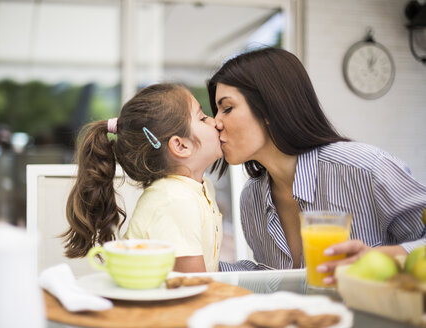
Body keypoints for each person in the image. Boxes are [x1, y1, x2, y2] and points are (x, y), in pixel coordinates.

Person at [207, 47, 426, 284]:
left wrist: (380, 257)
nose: (215, 122)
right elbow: (272, 278)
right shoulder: (252, 197)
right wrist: (199, 267)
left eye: (227, 108)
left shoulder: (366, 169)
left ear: (269, 107)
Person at [62, 83, 223, 272]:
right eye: (202, 118)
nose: (215, 122)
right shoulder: (175, 200)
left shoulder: (196, 190)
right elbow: (193, 284)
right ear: (180, 146)